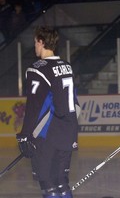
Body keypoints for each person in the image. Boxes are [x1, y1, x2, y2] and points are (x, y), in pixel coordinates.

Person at [16, 26, 80, 198]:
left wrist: (25, 134)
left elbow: (33, 106)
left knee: (47, 183)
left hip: (47, 133)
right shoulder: (67, 66)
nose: (35, 46)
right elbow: (76, 103)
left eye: (36, 42)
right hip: (68, 130)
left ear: (42, 42)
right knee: (61, 180)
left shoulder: (37, 69)